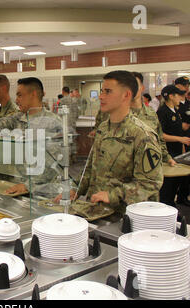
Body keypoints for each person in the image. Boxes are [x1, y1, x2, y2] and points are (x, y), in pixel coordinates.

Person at [65, 71, 163, 216]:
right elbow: (91, 168)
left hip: (124, 216)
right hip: (96, 210)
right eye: (102, 91)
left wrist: (114, 195)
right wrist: (75, 189)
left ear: (126, 95)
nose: (101, 96)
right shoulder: (103, 129)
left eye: (108, 91)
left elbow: (150, 184)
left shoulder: (142, 135)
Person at [0, 77, 64, 195]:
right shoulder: (18, 117)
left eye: (20, 95)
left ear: (33, 94)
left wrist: (28, 186)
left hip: (41, 190)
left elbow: (54, 165)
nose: (17, 100)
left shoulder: (52, 122)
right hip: (18, 185)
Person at [156, 85, 190, 208]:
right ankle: (165, 208)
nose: (181, 98)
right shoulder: (162, 112)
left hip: (177, 152)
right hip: (167, 153)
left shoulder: (175, 111)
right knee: (167, 186)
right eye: (178, 95)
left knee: (175, 183)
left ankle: (172, 205)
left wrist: (182, 148)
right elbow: (160, 135)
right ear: (171, 96)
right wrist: (180, 139)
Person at [175, 76, 190, 206]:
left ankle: (183, 195)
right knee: (177, 171)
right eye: (184, 85)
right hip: (177, 141)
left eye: (188, 85)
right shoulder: (171, 104)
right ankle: (177, 195)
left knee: (189, 170)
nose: (186, 88)